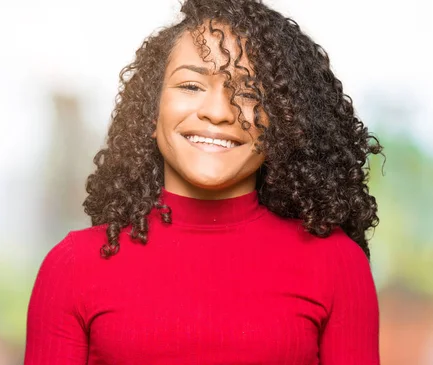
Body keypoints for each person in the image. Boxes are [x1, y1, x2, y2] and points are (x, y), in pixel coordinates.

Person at [25, 0, 383, 363]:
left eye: (247, 93)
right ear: (152, 110)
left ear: (283, 123)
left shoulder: (336, 263)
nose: (217, 112)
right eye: (191, 85)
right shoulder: (72, 267)